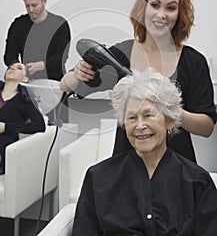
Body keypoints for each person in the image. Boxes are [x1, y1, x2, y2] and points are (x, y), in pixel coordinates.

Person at [60, 0, 217, 162]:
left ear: (180, 14)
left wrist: (170, 109)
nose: (161, 14)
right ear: (143, 9)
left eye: (171, 8)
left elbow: (207, 127)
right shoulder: (121, 55)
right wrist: (77, 74)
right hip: (126, 164)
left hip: (177, 167)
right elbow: (65, 85)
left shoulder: (193, 62)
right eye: (155, 5)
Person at [72, 69, 217, 235]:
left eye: (149, 115)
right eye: (132, 117)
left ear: (170, 121)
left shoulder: (198, 183)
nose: (140, 126)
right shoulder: (98, 178)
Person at [0, 61, 45, 177]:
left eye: (19, 68)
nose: (12, 68)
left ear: (25, 79)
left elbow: (39, 125)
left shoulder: (25, 100)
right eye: (10, 67)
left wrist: (6, 128)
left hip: (0, 153)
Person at [4, 0, 71, 81]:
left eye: (34, 5)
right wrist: (17, 66)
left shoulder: (60, 24)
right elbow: (9, 55)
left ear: (44, 1)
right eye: (27, 6)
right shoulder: (18, 25)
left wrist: (41, 65)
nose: (31, 10)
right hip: (28, 81)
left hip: (55, 81)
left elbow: (61, 57)